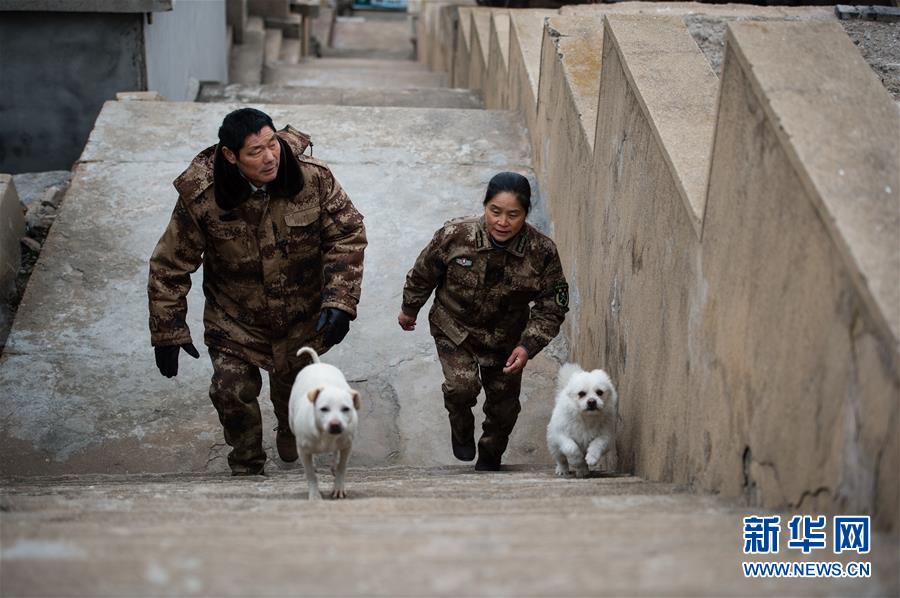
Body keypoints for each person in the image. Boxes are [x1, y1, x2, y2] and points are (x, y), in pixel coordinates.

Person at [148, 108, 367, 476]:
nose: (269, 157)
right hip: (235, 319)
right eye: (255, 151)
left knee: (292, 394)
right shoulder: (202, 195)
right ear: (231, 156)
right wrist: (167, 331)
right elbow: (171, 264)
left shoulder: (313, 178)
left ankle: (287, 426)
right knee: (230, 392)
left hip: (300, 316)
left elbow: (347, 235)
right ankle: (246, 463)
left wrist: (341, 300)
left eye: (272, 145)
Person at [398, 172, 568, 471]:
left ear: (526, 214)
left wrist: (528, 346)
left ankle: (489, 460)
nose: (502, 222)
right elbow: (424, 272)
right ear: (485, 206)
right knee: (461, 388)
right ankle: (460, 426)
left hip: (506, 340)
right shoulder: (455, 235)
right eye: (495, 211)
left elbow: (552, 306)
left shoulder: (542, 252)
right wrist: (410, 308)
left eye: (513, 215)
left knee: (504, 410)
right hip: (455, 328)